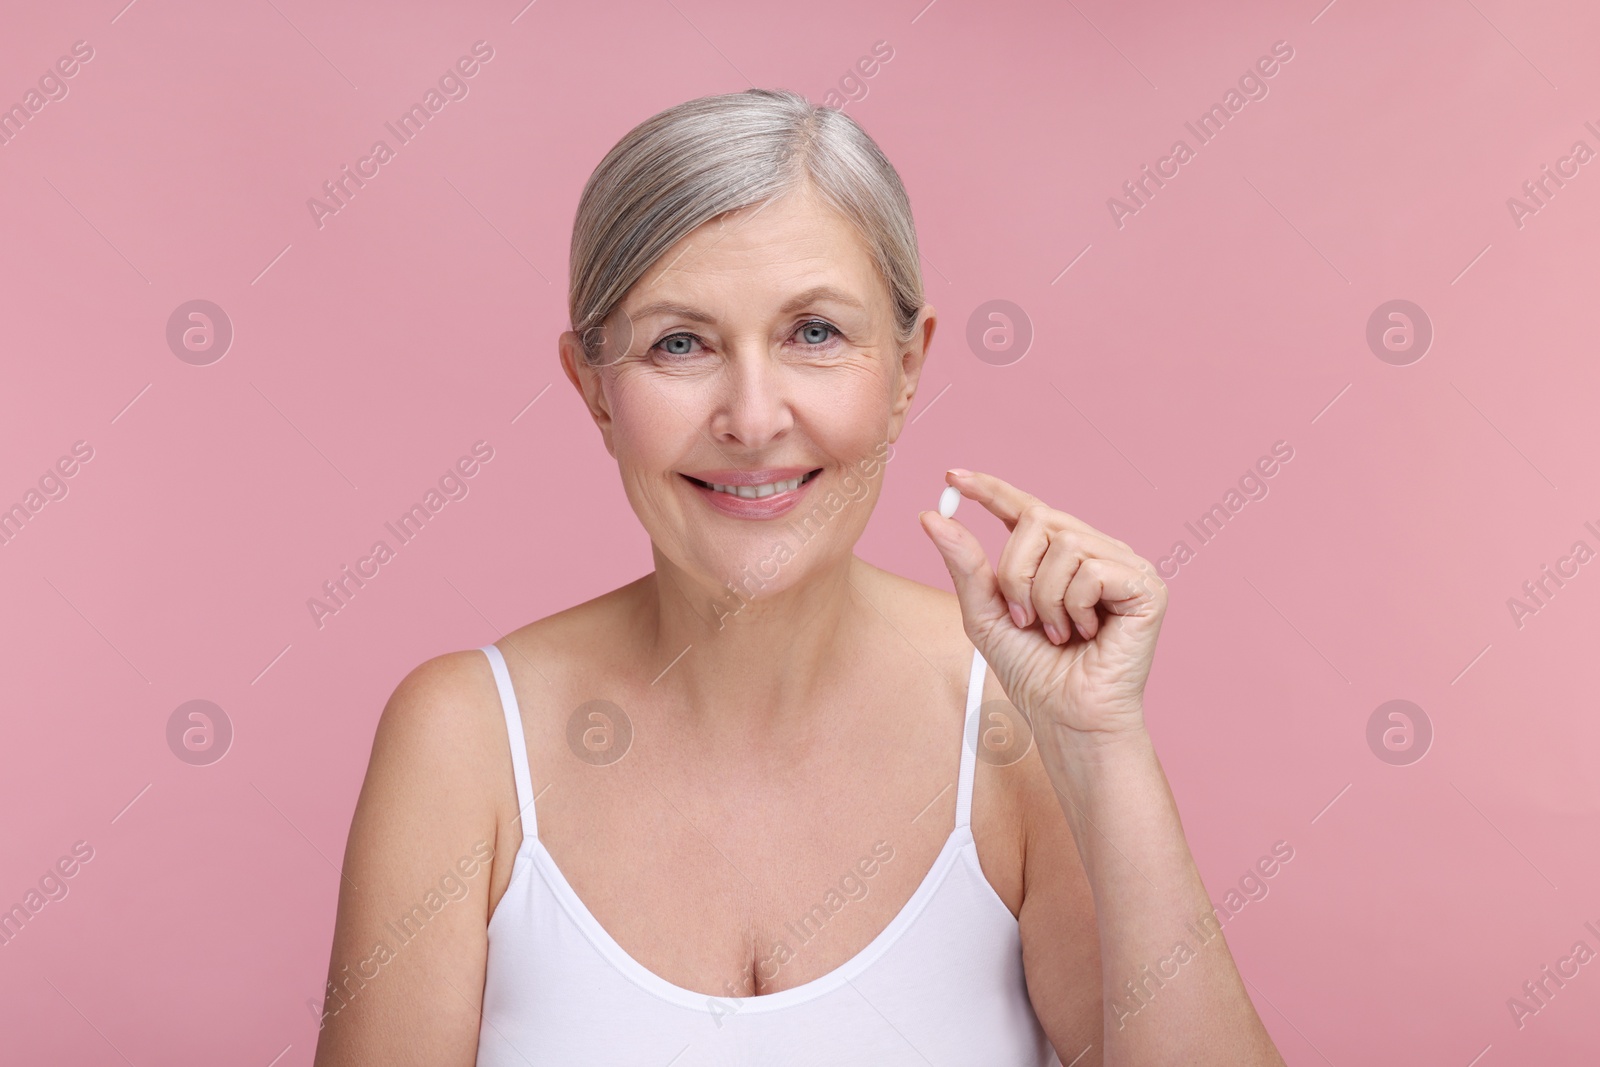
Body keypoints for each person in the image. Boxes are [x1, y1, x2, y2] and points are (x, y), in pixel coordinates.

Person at [312, 87, 1286, 1067]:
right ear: (594, 389)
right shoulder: (464, 740)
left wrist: (1102, 748)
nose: (751, 416)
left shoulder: (1017, 726)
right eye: (679, 342)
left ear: (906, 367)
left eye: (813, 332)